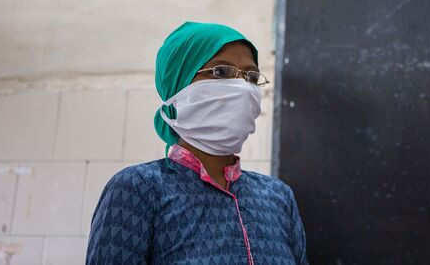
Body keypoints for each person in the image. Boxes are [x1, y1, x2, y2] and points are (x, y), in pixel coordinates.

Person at [86, 21, 308, 264]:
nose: (243, 87)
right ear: (179, 86)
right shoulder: (140, 189)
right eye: (221, 72)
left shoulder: (277, 197)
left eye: (252, 76)